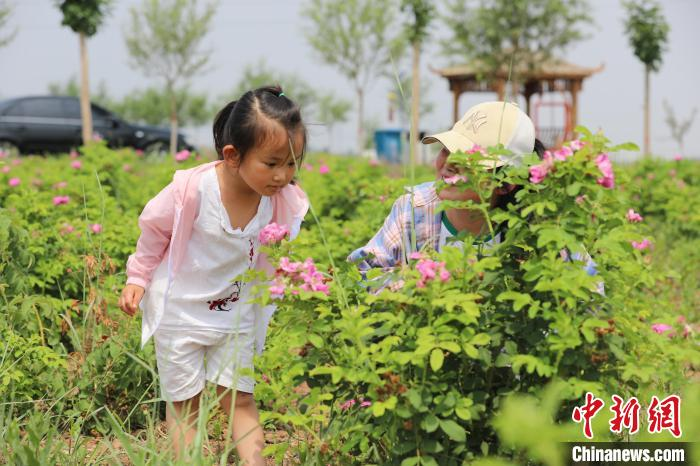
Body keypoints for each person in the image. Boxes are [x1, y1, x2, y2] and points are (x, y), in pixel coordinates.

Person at [118, 85, 309, 464]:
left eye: (292, 163)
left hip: (234, 315)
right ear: (233, 155)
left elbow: (278, 254)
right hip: (179, 313)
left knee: (239, 398)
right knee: (185, 404)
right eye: (271, 164)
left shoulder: (282, 201)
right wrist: (137, 277)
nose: (283, 175)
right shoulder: (191, 189)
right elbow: (154, 230)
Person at [348, 101, 545, 269]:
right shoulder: (414, 209)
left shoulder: (535, 229)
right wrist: (414, 284)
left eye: (468, 159)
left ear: (507, 184)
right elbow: (364, 272)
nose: (449, 164)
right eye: (446, 149)